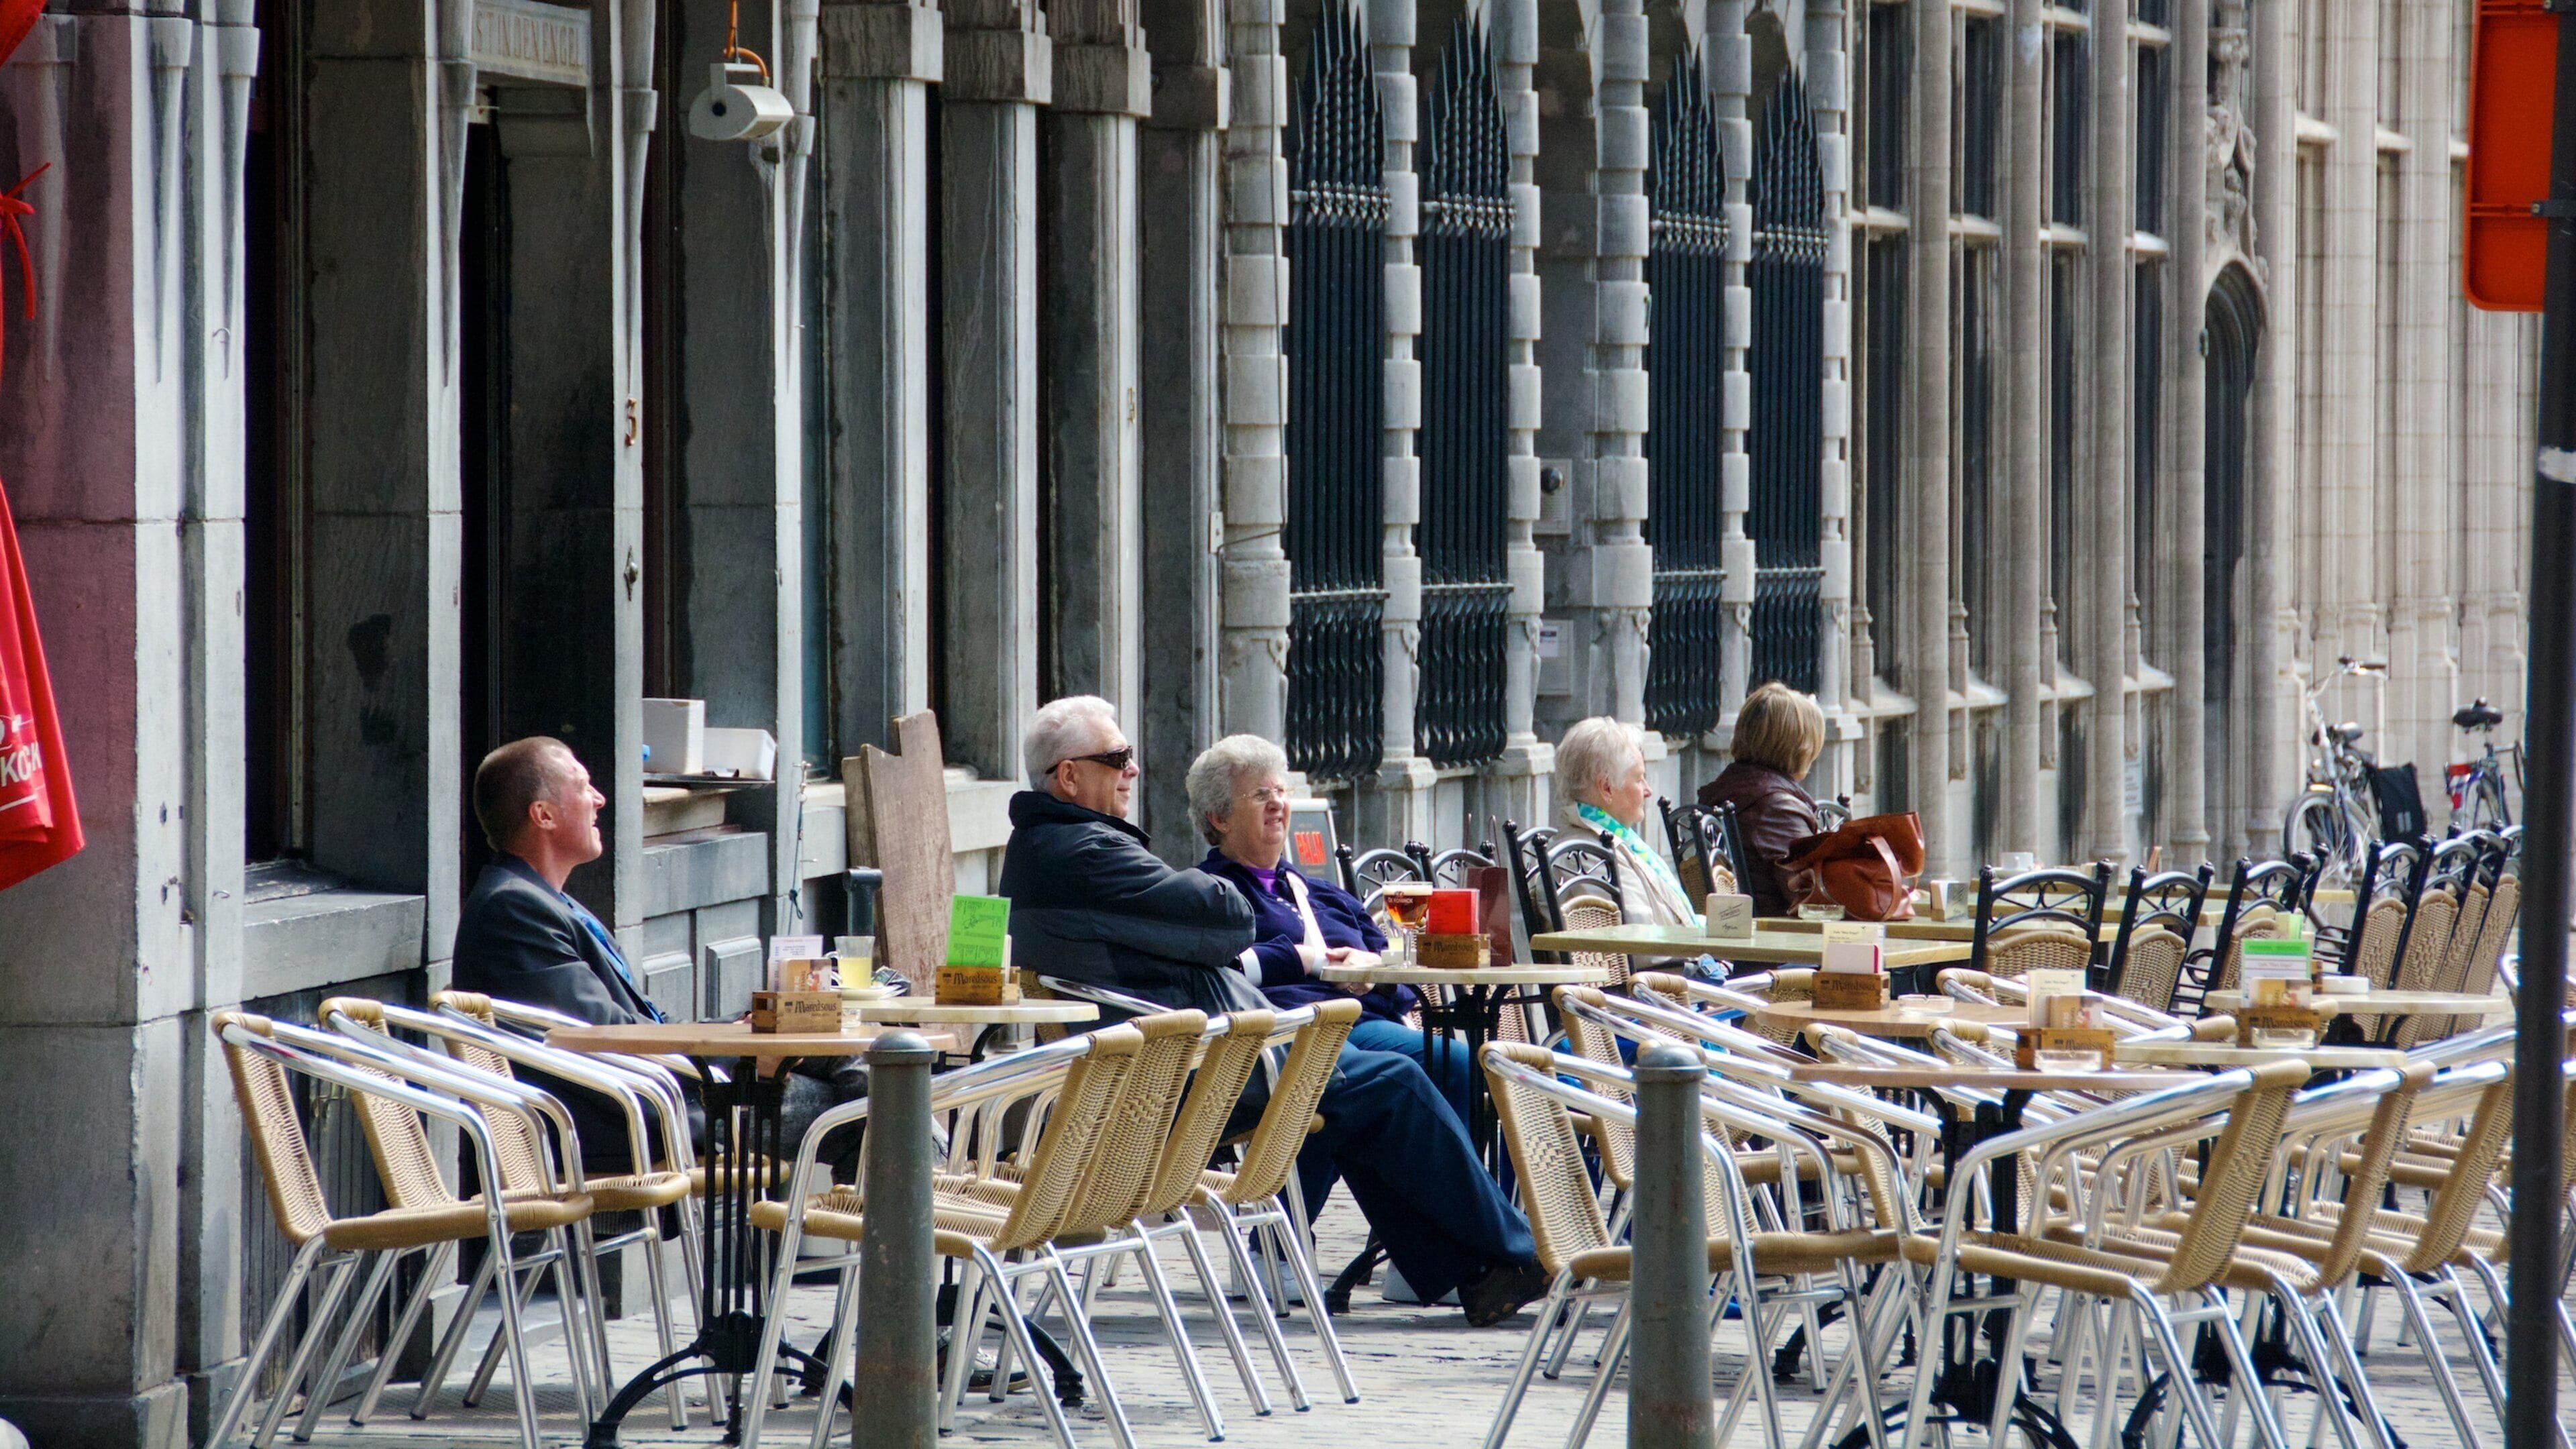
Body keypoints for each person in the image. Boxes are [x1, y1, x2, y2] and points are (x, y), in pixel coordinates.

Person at [1000, 697, 1549, 1325]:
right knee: (1389, 1082)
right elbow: (1228, 915)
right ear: (1069, 777)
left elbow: (1208, 928)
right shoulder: (1086, 851)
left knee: (1373, 1087)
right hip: (1184, 1074)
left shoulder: (1060, 846)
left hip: (1181, 1060)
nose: (1132, 770)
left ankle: (1481, 1267)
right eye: (1118, 758)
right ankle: (1506, 1257)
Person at [453, 737, 863, 1173]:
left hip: (662, 1093)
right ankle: (920, 1221)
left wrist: (743, 1034)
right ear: (544, 815)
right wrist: (739, 1057)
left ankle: (907, 1218)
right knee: (869, 1112)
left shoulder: (539, 900)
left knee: (841, 1048)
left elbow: (635, 1029)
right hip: (639, 1119)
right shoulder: (513, 909)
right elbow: (604, 1039)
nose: (599, 799)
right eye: (583, 786)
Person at [1187, 734, 1472, 1120]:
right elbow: (1218, 970)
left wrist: (1369, 971)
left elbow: (1404, 981)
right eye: (1258, 795)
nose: (1277, 803)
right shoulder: (1212, 894)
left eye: (1280, 791)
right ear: (1219, 818)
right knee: (1449, 1063)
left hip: (1364, 1023)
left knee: (1478, 1067)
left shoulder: (1326, 893)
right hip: (1295, 1033)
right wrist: (1308, 961)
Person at [1697, 682, 1828, 917]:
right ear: (1800, 748)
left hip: (1752, 933)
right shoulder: (1776, 808)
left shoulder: (1730, 790)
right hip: (1780, 939)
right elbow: (1813, 902)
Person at [1556, 716, 1703, 928]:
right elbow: (1638, 942)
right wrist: (1702, 942)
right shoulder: (1590, 855)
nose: (1648, 791)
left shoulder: (1613, 839)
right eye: (1638, 779)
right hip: (1673, 960)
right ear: (1607, 788)